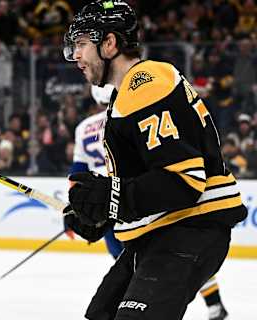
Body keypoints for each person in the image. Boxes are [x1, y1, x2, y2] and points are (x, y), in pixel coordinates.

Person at [62, 2, 247, 320]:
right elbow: (150, 179)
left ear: (109, 44)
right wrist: (102, 213)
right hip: (159, 233)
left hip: (189, 228)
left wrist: (111, 197)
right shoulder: (130, 95)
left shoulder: (145, 82)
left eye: (81, 44)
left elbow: (183, 180)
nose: (75, 55)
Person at [68, 83, 233, 319]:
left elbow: (77, 175)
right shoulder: (133, 115)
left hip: (106, 205)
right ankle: (214, 304)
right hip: (135, 201)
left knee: (133, 266)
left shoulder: (84, 128)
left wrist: (79, 207)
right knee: (165, 266)